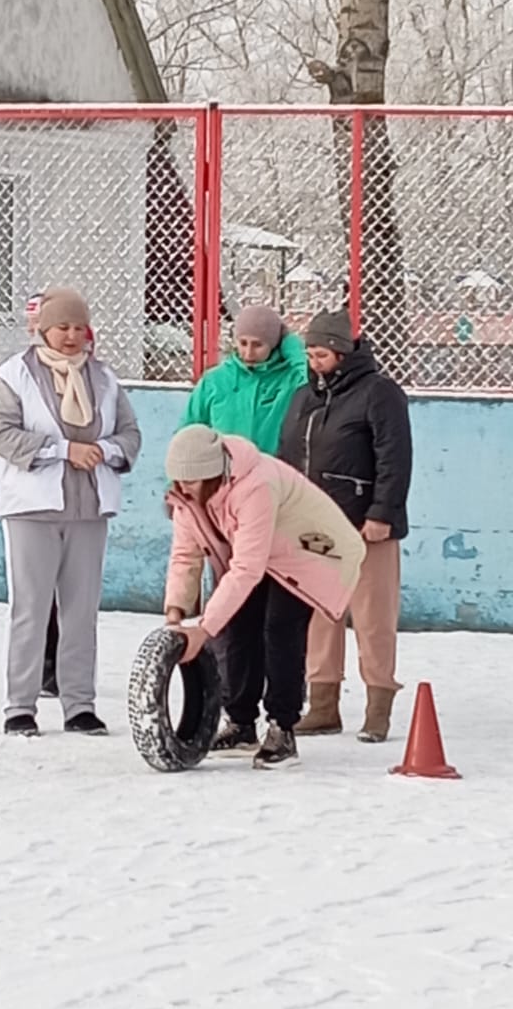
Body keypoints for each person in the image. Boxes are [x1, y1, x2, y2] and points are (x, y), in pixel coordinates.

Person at [162, 424, 365, 770]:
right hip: (262, 554)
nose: (183, 488)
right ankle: (241, 724)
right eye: (178, 481)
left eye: (191, 481)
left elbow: (246, 569)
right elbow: (186, 554)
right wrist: (175, 614)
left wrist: (204, 629)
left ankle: (282, 727)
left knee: (279, 629)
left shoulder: (255, 484)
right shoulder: (186, 497)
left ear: (213, 474)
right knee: (238, 626)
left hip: (309, 551)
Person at [0, 287, 140, 737]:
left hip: (89, 508)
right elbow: (3, 435)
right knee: (31, 608)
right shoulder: (13, 375)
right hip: (33, 507)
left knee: (81, 610)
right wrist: (62, 451)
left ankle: (80, 705)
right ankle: (20, 705)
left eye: (79, 327)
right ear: (42, 329)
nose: (72, 336)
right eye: (62, 327)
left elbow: (130, 433)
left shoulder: (105, 379)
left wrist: (104, 450)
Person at [278, 310, 413, 744]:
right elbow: (287, 458)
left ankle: (378, 705)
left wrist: (382, 514)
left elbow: (395, 457)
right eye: (310, 355)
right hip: (314, 526)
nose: (314, 362)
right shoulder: (303, 398)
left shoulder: (380, 393)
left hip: (364, 525)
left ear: (342, 352)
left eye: (321, 354)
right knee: (320, 614)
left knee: (372, 616)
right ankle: (322, 705)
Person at [181, 304, 308, 453]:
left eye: (258, 345)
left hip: (273, 472)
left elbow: (314, 380)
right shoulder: (215, 380)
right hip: (225, 472)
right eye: (243, 343)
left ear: (274, 344)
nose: (248, 353)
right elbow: (187, 433)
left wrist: (292, 346)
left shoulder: (291, 379)